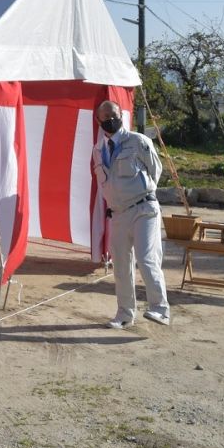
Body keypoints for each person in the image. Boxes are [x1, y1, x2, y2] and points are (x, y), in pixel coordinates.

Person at [92, 100, 170, 328]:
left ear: (121, 116)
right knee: (121, 265)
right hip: (117, 214)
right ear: (98, 121)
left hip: (143, 208)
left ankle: (160, 309)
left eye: (113, 115)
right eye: (104, 117)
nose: (109, 120)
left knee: (147, 259)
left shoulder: (138, 141)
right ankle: (125, 314)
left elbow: (156, 171)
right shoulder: (98, 150)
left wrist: (141, 193)